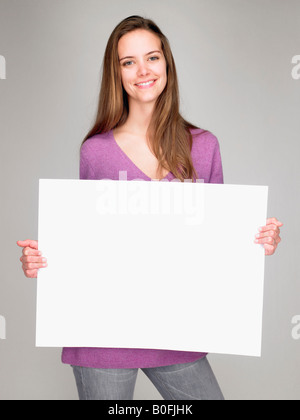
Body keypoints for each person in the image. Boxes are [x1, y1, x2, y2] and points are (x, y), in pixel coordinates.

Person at [17, 16, 283, 400]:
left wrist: (257, 242)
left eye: (152, 57)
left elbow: (219, 242)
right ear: (117, 73)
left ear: (166, 64)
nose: (143, 70)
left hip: (176, 328)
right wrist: (43, 260)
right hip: (101, 333)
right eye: (128, 62)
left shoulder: (204, 146)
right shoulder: (96, 151)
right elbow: (86, 243)